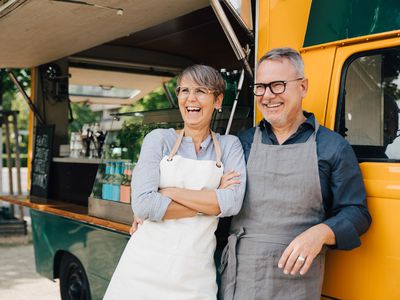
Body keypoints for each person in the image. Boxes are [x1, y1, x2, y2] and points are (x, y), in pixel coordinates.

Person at [219, 47, 372, 300]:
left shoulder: (332, 147)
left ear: (303, 87)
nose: (268, 96)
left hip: (297, 282)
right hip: (240, 279)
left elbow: (357, 212)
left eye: (277, 85)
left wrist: (321, 232)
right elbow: (214, 201)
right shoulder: (240, 144)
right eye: (261, 87)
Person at [104, 64, 246, 300]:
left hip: (195, 275)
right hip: (143, 270)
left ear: (218, 100)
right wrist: (210, 202)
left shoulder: (230, 145)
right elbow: (143, 206)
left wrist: (168, 191)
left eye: (201, 91)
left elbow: (231, 203)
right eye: (184, 90)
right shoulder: (158, 140)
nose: (191, 98)